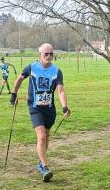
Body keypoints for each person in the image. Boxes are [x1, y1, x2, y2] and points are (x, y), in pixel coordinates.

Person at [10, 43, 71, 182]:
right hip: (35, 108)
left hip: (49, 110)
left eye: (51, 54)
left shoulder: (57, 71)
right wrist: (14, 94)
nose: (48, 56)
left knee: (46, 137)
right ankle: (45, 167)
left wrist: (64, 106)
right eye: (46, 54)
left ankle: (40, 162)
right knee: (42, 137)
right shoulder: (31, 67)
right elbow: (19, 79)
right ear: (40, 55)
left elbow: (60, 90)